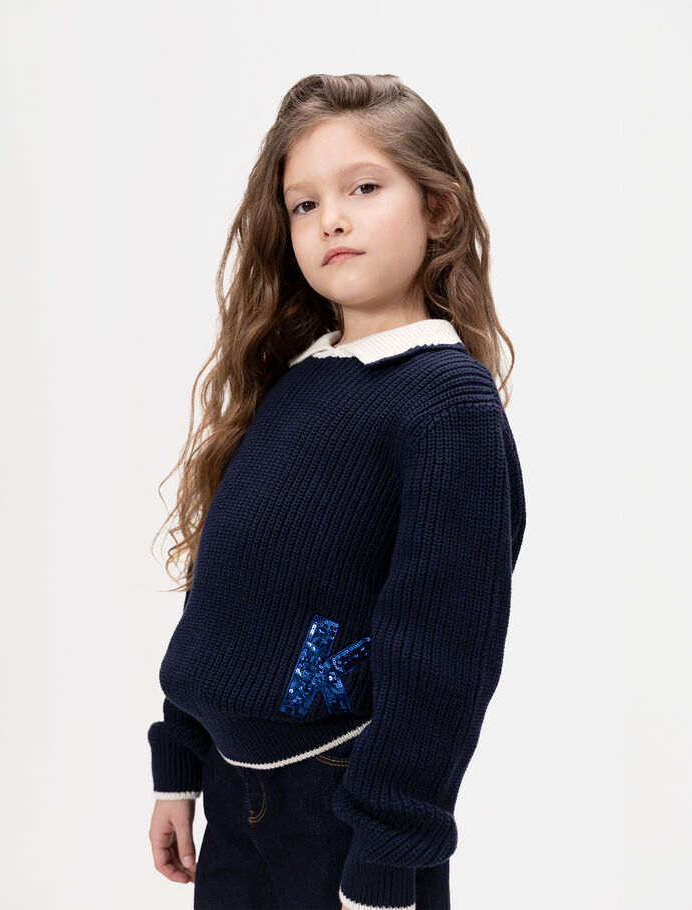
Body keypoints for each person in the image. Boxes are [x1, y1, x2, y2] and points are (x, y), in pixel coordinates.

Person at [147, 72, 527, 910]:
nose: (332, 220)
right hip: (234, 795)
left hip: (342, 807)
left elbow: (442, 659)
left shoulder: (444, 405)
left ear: (439, 210)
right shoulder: (294, 383)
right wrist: (179, 762)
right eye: (304, 203)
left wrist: (388, 854)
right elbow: (226, 598)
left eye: (363, 188)